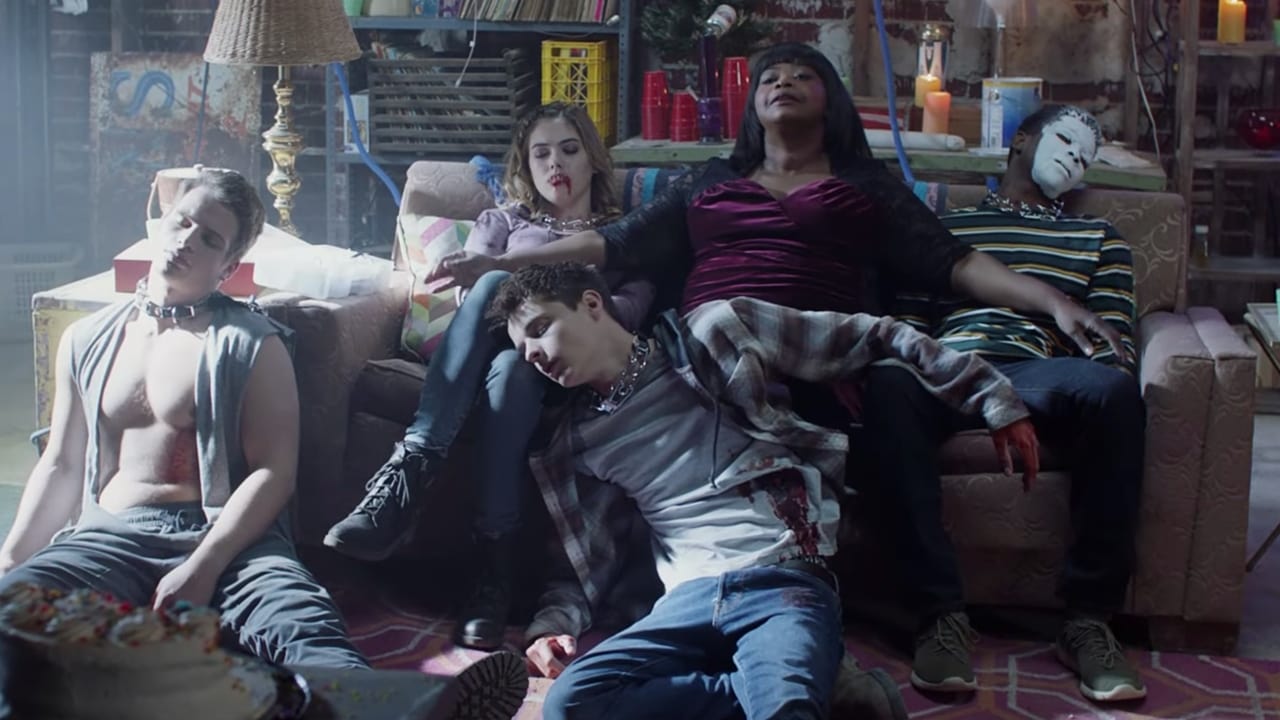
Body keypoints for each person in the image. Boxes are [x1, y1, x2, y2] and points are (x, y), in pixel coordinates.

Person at [431, 42, 1125, 418]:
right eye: (770, 76)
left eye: (803, 74)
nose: (782, 80)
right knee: (703, 332)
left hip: (823, 351)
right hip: (710, 347)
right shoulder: (710, 179)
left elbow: (954, 261)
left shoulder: (866, 184)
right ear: (752, 106)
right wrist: (501, 267)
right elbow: (615, 242)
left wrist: (1054, 300)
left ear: (831, 102)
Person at [485, 262, 1041, 720]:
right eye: (522, 349)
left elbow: (874, 334)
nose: (533, 355)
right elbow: (588, 557)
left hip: (781, 576)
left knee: (783, 712)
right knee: (570, 704)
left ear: (591, 303)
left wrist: (990, 396)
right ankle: (827, 693)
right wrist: (553, 626)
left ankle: (798, 691)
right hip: (684, 601)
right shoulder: (577, 440)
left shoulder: (715, 333)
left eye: (539, 329)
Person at [0, 168, 366, 668]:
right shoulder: (85, 339)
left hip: (230, 544)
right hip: (110, 539)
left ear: (227, 268)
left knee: (313, 640)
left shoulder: (253, 343)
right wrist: (11, 561)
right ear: (161, 224)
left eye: (210, 239)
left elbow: (273, 473)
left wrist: (204, 567)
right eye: (182, 222)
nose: (188, 240)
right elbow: (61, 464)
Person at [323, 102, 654, 650]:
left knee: (510, 331)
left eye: (569, 150)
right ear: (526, 165)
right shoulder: (503, 222)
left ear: (593, 159)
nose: (555, 164)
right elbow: (470, 294)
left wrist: (560, 295)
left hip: (567, 370)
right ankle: (490, 571)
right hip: (491, 357)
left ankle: (414, 473)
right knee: (505, 353)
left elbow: (631, 310)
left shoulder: (617, 235)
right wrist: (516, 285)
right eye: (541, 154)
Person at [868, 105, 1146, 702]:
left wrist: (1095, 384)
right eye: (1066, 139)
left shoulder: (1099, 238)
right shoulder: (948, 226)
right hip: (948, 365)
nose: (1074, 158)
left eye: (1086, 157)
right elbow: (909, 320)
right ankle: (937, 616)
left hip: (1038, 370)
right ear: (1020, 140)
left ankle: (1088, 621)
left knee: (1115, 392)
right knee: (887, 383)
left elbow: (1111, 342)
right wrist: (920, 360)